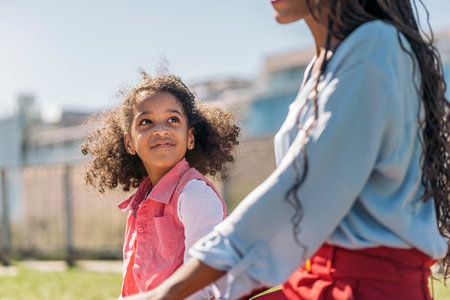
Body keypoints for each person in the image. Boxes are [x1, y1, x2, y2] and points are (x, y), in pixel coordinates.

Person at [123, 0, 450, 299]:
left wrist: (170, 292)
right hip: (310, 277)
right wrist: (221, 288)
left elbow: (297, 190)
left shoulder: (377, 46)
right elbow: (293, 212)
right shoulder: (317, 68)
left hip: (369, 286)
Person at [81, 72, 240, 299]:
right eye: (146, 122)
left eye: (173, 120)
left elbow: (200, 286)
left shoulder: (195, 194)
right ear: (129, 142)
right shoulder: (138, 207)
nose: (161, 130)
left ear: (190, 137)